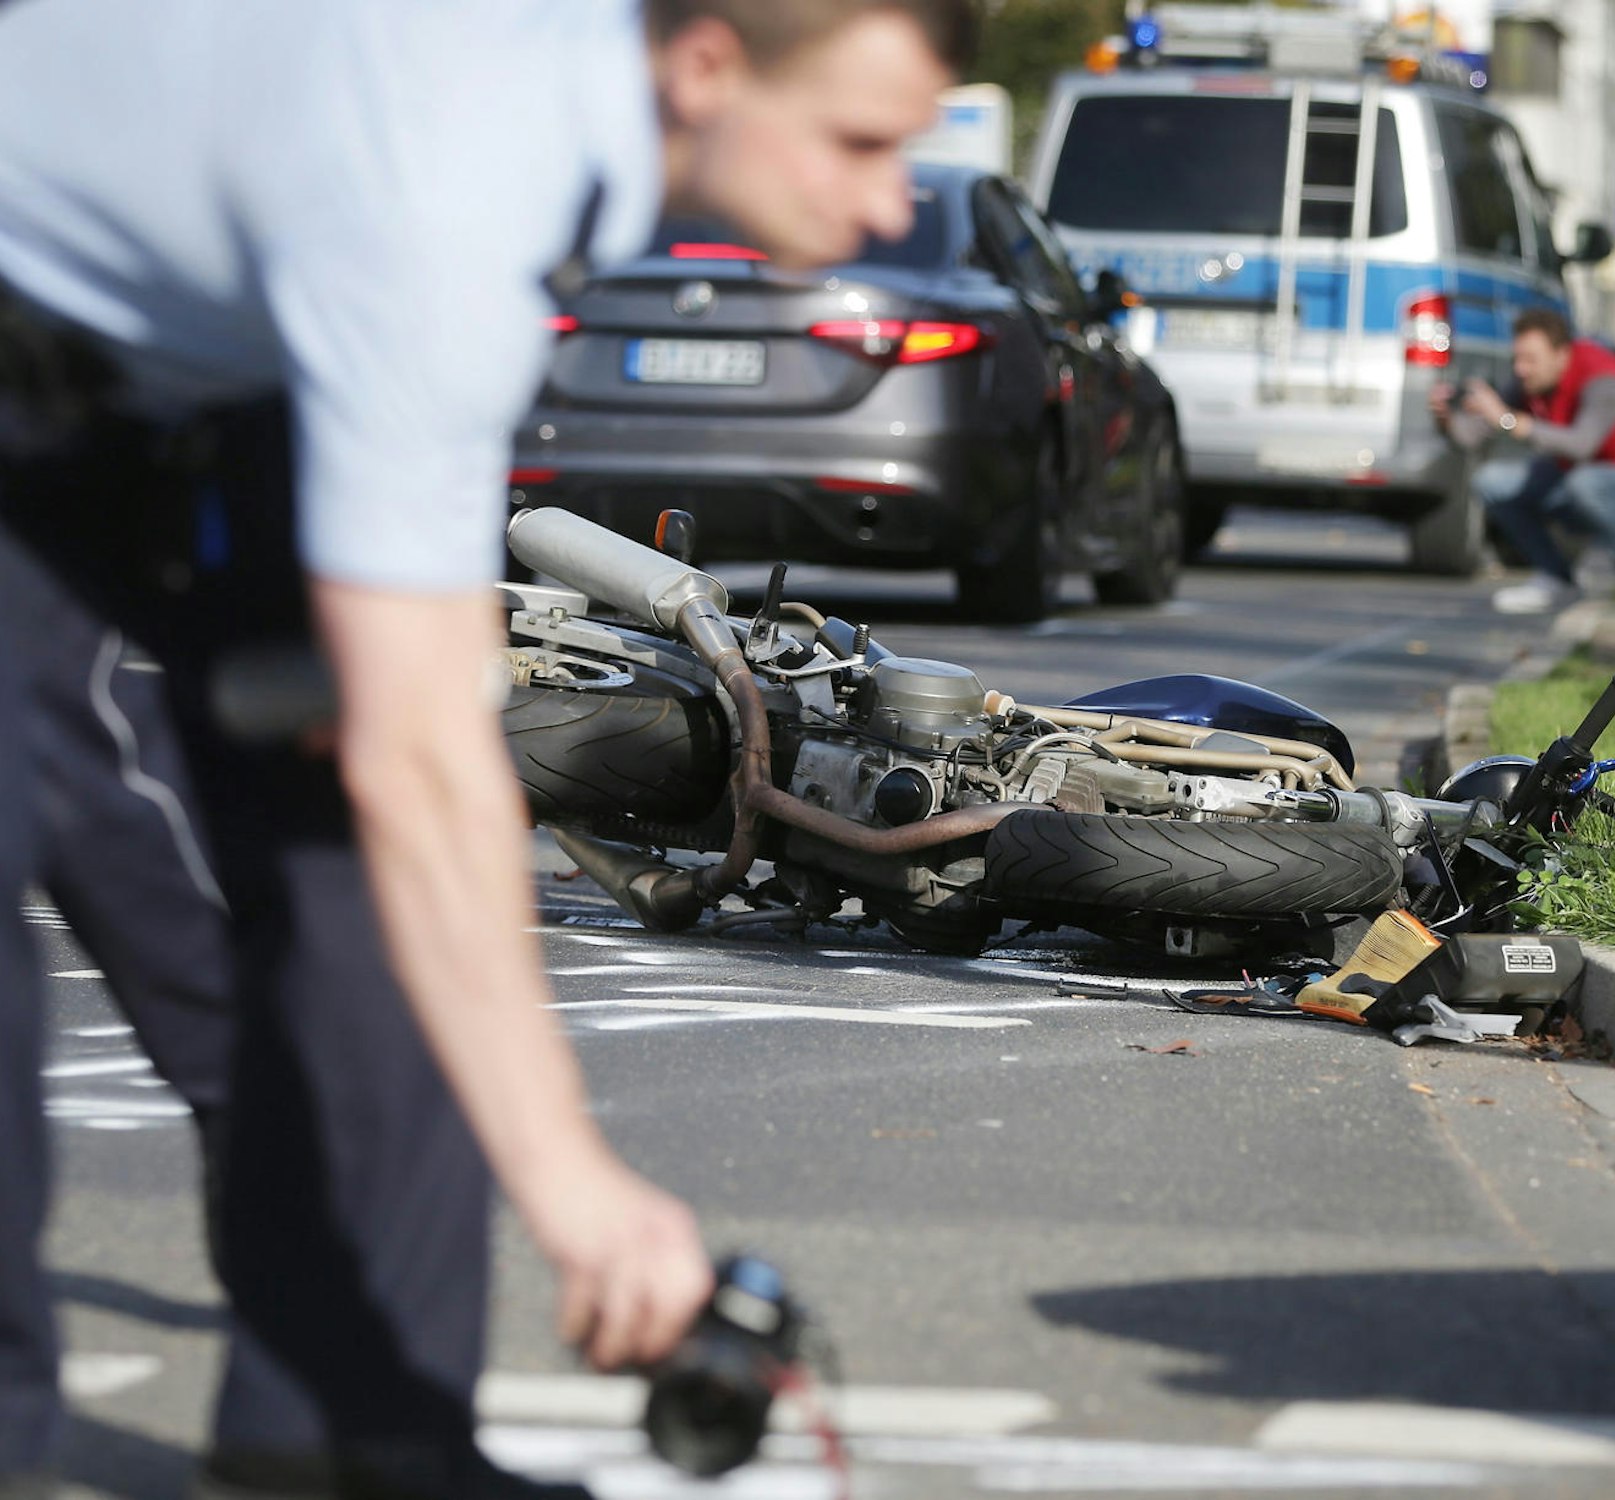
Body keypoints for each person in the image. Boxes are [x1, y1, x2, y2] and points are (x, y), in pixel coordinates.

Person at [0, 3, 977, 1497]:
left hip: (199, 347)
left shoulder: (531, 137)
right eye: (862, 138)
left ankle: (349, 1438)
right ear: (708, 65)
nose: (894, 198)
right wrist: (575, 1189)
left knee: (354, 868)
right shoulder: (456, 181)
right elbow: (425, 762)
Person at [1430, 309, 1615, 614]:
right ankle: (1555, 577)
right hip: (1581, 488)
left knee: (1584, 481)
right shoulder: (1533, 382)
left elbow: (1580, 445)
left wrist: (1507, 419)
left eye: (1530, 360)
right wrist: (1446, 419)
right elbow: (1470, 438)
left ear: (1561, 354)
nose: (1521, 369)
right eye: (1517, 359)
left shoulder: (1604, 380)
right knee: (1490, 481)